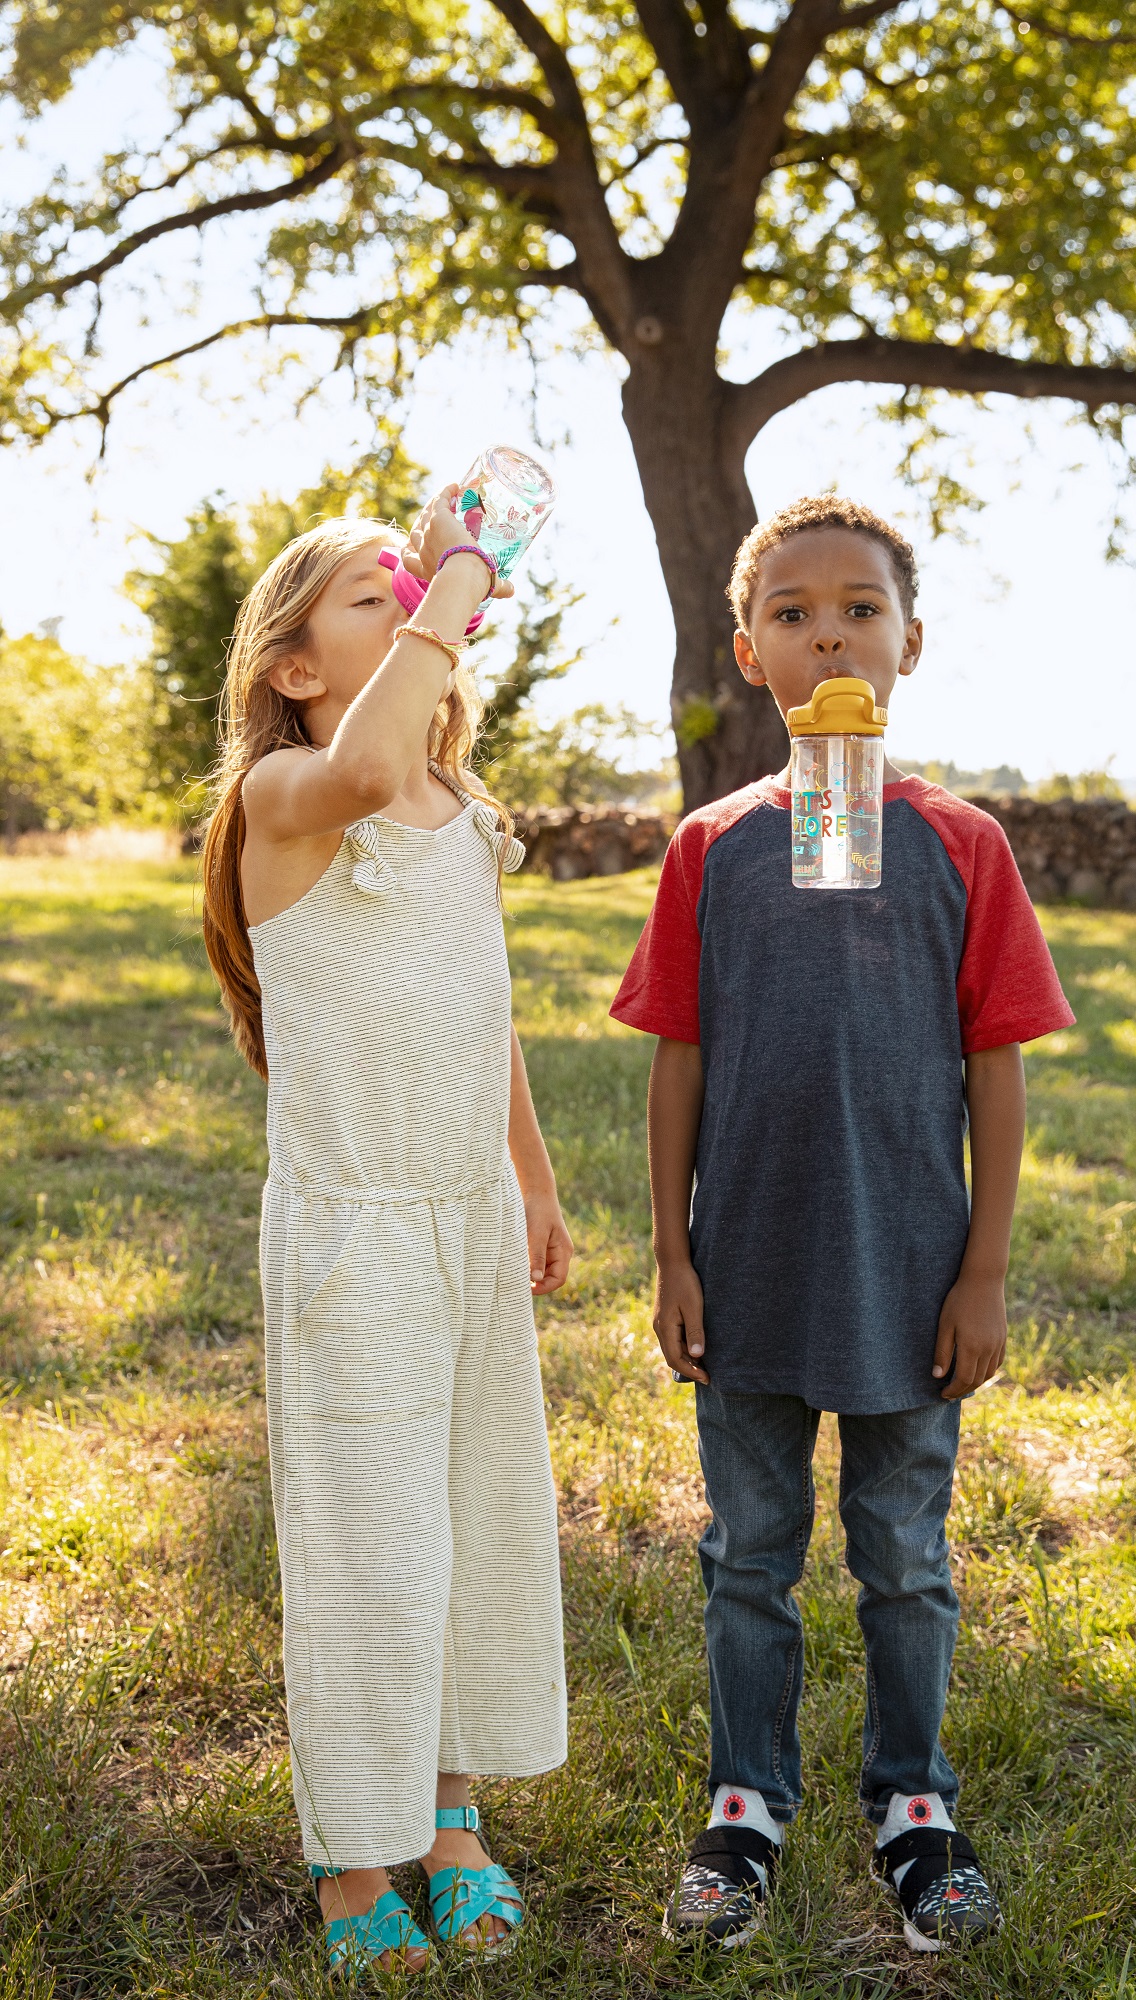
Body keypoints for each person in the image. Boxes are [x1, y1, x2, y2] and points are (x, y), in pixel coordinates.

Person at [610, 495, 1074, 1954]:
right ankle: (745, 1805)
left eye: (860, 609)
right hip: (746, 1267)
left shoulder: (962, 845)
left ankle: (912, 1805)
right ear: (749, 652)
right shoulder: (711, 847)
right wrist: (673, 1253)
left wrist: (983, 1271)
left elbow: (993, 1065)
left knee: (905, 1559)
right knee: (749, 1555)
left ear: (909, 644)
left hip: (907, 1275)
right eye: (793, 613)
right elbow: (677, 1057)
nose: (829, 635)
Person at [199, 493, 572, 1977]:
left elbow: (487, 1012)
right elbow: (365, 763)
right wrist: (461, 572)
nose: (415, 603)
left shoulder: (459, 812)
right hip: (356, 1234)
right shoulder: (290, 793)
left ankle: (451, 1815)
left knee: (471, 1516)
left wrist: (528, 1178)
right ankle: (355, 1851)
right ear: (295, 667)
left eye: (415, 591)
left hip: (464, 1217)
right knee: (369, 1541)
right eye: (380, 595)